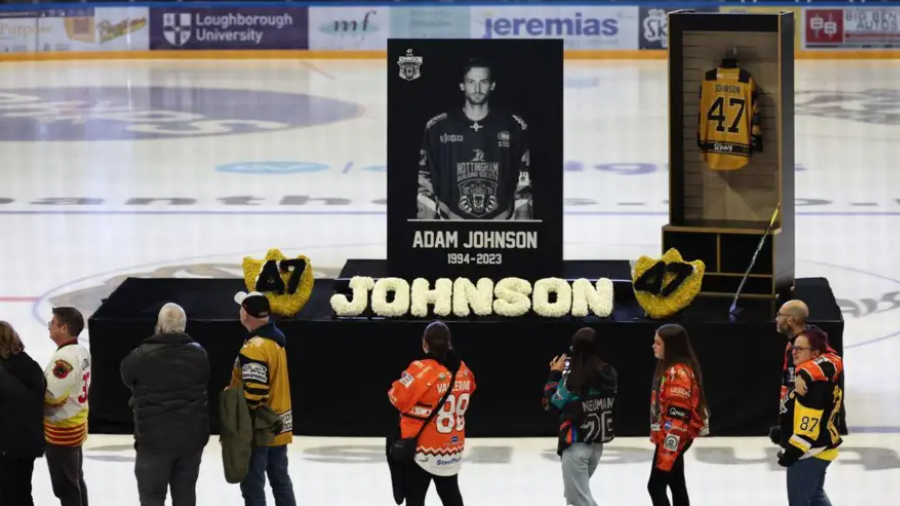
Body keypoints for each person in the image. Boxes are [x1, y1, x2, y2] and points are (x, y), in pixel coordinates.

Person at [416, 57, 532, 220]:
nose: (477, 89)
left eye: (483, 82)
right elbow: (424, 178)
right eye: (471, 82)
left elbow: (524, 177)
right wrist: (425, 222)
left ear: (492, 85)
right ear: (462, 85)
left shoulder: (514, 125)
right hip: (451, 223)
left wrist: (524, 218)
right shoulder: (437, 127)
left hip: (501, 223)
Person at [120, 303, 210, 506]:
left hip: (154, 440)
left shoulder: (141, 355)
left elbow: (126, 375)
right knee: (185, 495)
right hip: (191, 438)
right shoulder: (199, 354)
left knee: (152, 496)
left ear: (158, 326)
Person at [387, 321, 476, 506]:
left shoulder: (422, 369)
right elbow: (471, 388)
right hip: (452, 446)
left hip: (422, 448)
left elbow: (397, 398)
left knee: (415, 498)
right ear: (448, 343)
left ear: (425, 343)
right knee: (451, 495)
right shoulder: (464, 370)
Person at [231, 291, 296, 506]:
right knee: (280, 481)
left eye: (241, 307)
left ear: (246, 314)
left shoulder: (255, 348)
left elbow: (255, 393)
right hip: (278, 424)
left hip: (258, 429)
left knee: (252, 486)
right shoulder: (276, 342)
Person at [543, 327, 618, 506]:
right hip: (597, 444)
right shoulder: (608, 374)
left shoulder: (573, 379)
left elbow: (551, 405)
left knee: (580, 501)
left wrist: (554, 375)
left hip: (576, 445)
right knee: (578, 497)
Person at [772, 327, 843, 506]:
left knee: (799, 502)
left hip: (809, 453)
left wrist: (793, 452)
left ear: (816, 353)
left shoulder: (811, 386)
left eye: (800, 349)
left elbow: (808, 428)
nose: (794, 353)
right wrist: (785, 431)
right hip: (821, 448)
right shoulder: (814, 374)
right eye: (794, 348)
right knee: (815, 496)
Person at [648, 324, 709, 506]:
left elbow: (678, 417)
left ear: (671, 346)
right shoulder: (668, 368)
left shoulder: (678, 375)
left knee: (656, 486)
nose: (654, 346)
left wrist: (668, 448)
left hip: (674, 437)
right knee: (676, 483)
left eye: (658, 343)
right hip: (671, 435)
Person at [44, 307, 91, 506]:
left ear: (64, 328)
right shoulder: (80, 351)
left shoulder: (64, 359)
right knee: (75, 480)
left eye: (52, 323)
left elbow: (53, 396)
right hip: (76, 423)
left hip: (61, 430)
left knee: (66, 487)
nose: (49, 326)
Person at [0, 321, 46, 506]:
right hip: (29, 443)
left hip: (5, 446)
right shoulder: (31, 365)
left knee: (7, 495)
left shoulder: (3, 371)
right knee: (23, 492)